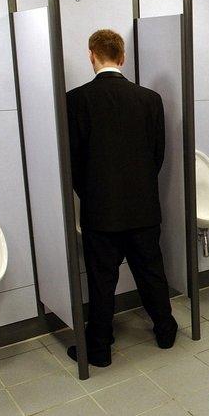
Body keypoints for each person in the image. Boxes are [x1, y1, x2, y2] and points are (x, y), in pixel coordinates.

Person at [65, 29, 177, 367]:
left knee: (101, 280)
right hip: (143, 207)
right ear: (122, 57)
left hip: (100, 211)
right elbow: (158, 154)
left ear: (91, 56)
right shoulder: (149, 99)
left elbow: (73, 161)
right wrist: (140, 187)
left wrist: (93, 194)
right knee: (151, 271)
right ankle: (166, 331)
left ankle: (98, 348)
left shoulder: (75, 100)